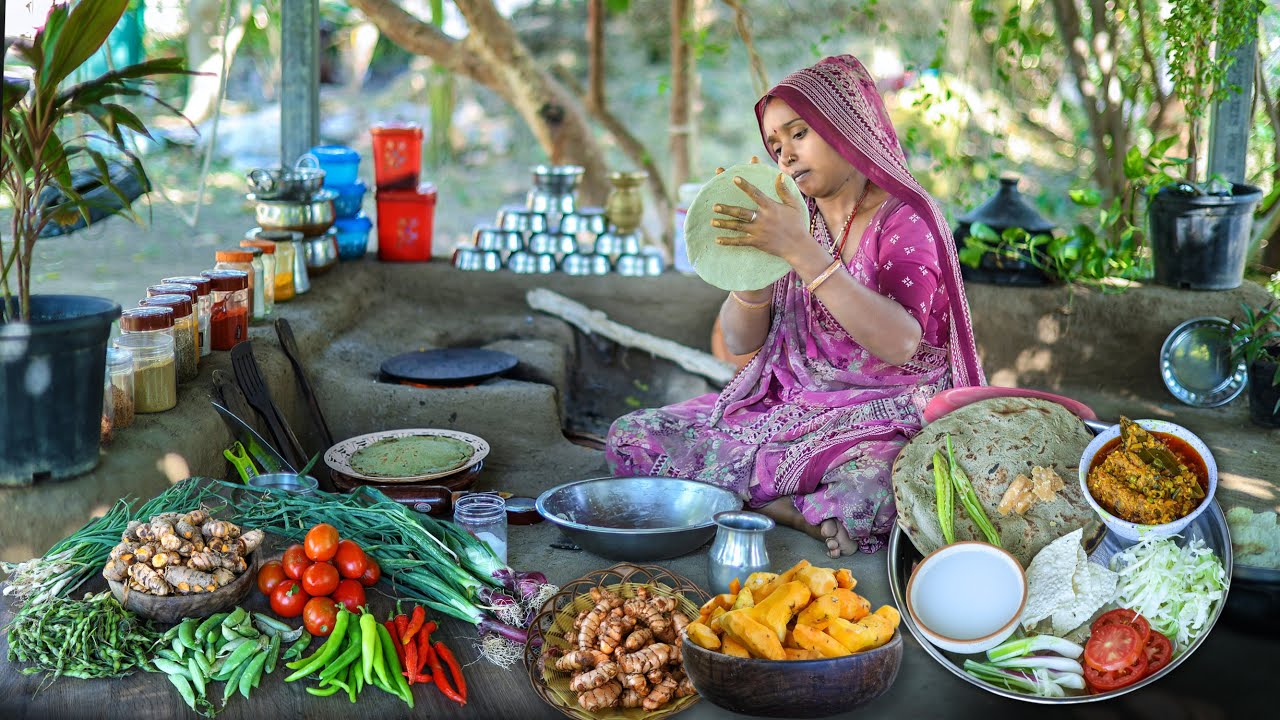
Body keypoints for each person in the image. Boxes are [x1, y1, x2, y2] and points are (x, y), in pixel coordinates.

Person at [605, 55, 985, 557]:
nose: (785, 155)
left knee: (880, 494)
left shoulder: (906, 217)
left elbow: (899, 342)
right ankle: (785, 507)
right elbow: (740, 343)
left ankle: (737, 498)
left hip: (887, 414)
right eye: (775, 145)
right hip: (790, 405)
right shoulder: (788, 215)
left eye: (799, 133)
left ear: (847, 124)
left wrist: (799, 251)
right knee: (631, 437)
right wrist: (751, 271)